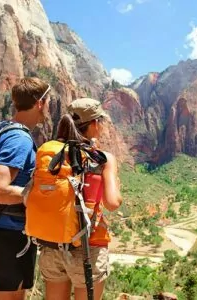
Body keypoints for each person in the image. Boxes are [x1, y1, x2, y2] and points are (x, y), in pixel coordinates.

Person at [38, 98, 123, 300]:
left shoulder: (50, 153)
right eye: (100, 122)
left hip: (53, 244)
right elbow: (112, 202)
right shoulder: (103, 158)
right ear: (94, 124)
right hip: (89, 246)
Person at [0, 77, 51, 300]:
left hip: (1, 228)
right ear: (40, 103)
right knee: (12, 296)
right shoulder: (19, 138)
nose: (49, 106)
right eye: (48, 101)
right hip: (9, 231)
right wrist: (35, 195)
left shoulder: (5, 129)